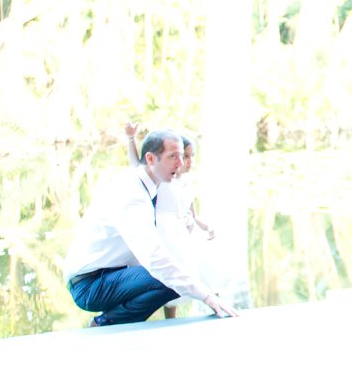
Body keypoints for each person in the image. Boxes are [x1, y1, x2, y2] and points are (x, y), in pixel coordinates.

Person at [65, 130, 239, 326]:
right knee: (169, 278)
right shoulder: (132, 195)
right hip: (90, 284)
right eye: (173, 156)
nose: (180, 163)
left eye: (182, 156)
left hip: (110, 275)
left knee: (175, 276)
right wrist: (207, 297)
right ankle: (106, 322)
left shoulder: (147, 185)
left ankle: (113, 319)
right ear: (150, 159)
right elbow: (154, 259)